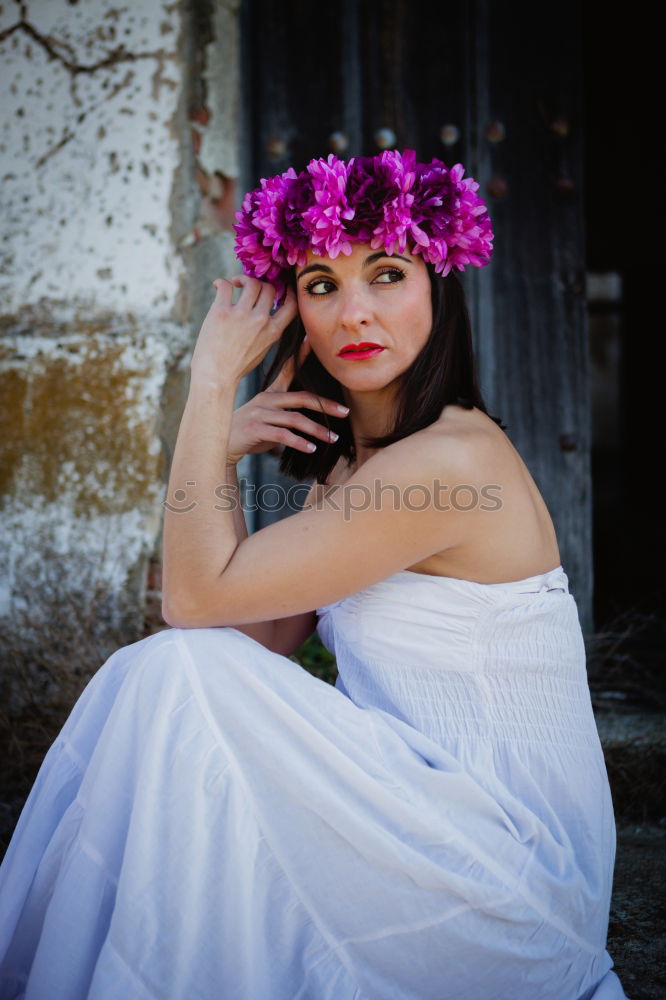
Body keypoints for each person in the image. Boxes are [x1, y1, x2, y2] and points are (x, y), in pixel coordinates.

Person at [0, 150, 626, 1000]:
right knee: (171, 675)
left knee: (170, 671)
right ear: (293, 304)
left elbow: (192, 605)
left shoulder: (449, 460)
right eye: (321, 283)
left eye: (387, 273)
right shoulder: (362, 469)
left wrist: (211, 385)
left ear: (440, 285)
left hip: (511, 878)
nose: (353, 312)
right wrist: (218, 449)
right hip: (422, 824)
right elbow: (243, 641)